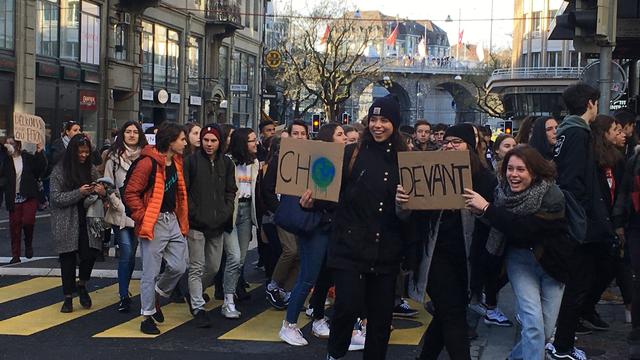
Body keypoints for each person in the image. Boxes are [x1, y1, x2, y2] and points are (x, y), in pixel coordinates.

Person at [464, 145, 573, 360]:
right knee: (533, 325)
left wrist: (487, 209)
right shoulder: (500, 192)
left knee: (545, 330)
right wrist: (482, 213)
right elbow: (500, 224)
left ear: (534, 171)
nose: (514, 175)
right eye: (510, 168)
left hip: (553, 264)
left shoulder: (552, 195)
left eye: (521, 169)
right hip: (519, 261)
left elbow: (524, 229)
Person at [326, 95, 411, 360]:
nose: (378, 125)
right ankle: (335, 353)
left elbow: (413, 213)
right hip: (350, 247)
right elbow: (329, 195)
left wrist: (405, 205)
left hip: (386, 251)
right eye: (373, 119)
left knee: (380, 318)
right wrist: (311, 201)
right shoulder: (351, 154)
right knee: (346, 307)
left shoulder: (407, 160)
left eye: (384, 120)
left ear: (394, 124)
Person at [401, 123, 497, 360]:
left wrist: (482, 209)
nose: (450, 146)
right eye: (447, 141)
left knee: (446, 314)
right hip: (435, 257)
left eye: (457, 142)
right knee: (453, 314)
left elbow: (494, 220)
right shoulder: (428, 171)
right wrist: (403, 201)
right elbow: (410, 215)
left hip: (467, 260)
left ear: (470, 146)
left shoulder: (484, 179)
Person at [549, 82, 617, 360]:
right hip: (580, 226)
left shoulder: (567, 132)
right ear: (590, 103)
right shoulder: (578, 133)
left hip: (578, 223)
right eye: (596, 102)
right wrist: (584, 218)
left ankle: (561, 341)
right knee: (577, 285)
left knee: (577, 284)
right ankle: (563, 345)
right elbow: (573, 181)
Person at [279, 123, 346, 346]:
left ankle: (317, 318)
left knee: (325, 277)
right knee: (307, 278)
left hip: (330, 227)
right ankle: (289, 325)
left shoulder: (341, 162)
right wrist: (311, 203)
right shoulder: (317, 163)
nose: (344, 138)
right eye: (340, 134)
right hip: (317, 228)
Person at [124, 122, 189, 335]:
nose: (185, 142)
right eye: (182, 139)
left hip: (171, 220)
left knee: (180, 265)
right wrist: (144, 217)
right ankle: (147, 316)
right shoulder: (147, 163)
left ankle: (157, 295)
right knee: (150, 272)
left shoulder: (176, 161)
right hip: (154, 222)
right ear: (171, 142)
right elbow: (131, 193)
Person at [577, 115, 628, 332]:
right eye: (616, 130)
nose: (622, 134)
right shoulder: (591, 159)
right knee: (590, 271)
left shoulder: (619, 160)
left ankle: (587, 308)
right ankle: (580, 311)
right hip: (594, 226)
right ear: (604, 134)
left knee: (608, 268)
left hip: (610, 225)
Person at [184, 123, 237, 327]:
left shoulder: (227, 163)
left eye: (213, 140)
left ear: (219, 142)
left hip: (218, 223)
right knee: (196, 266)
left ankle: (193, 291)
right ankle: (198, 306)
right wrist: (193, 212)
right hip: (196, 223)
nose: (208, 144)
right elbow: (185, 191)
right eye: (205, 140)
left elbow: (230, 190)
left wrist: (226, 211)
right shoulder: (191, 162)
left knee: (213, 267)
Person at [50, 134, 104, 313]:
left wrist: (100, 191)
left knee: (90, 253)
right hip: (66, 219)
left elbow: (102, 186)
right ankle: (67, 298)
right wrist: (79, 193)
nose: (84, 155)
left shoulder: (90, 169)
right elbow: (56, 198)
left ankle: (82, 284)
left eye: (87, 152)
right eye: (81, 152)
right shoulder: (60, 170)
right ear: (73, 152)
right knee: (67, 259)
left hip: (88, 218)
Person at [262, 120, 308, 309]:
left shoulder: (309, 158)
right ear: (288, 135)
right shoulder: (280, 158)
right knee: (291, 250)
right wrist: (278, 209)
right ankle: (273, 285)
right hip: (285, 213)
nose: (299, 137)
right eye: (295, 133)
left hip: (304, 213)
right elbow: (267, 188)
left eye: (302, 133)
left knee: (300, 253)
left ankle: (288, 291)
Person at [103, 120, 148, 313]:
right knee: (127, 252)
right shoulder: (113, 157)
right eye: (128, 131)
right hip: (119, 210)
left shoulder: (146, 156)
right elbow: (107, 184)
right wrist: (117, 203)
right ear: (122, 134)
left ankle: (125, 290)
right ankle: (123, 295)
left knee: (131, 255)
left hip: (138, 212)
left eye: (135, 132)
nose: (131, 135)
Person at [221, 128, 259, 319]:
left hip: (246, 212)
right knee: (234, 258)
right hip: (231, 212)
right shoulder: (227, 162)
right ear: (242, 143)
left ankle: (230, 292)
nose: (256, 143)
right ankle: (228, 300)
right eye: (252, 140)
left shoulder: (255, 163)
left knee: (241, 259)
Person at [3, 137, 47, 264]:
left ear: (17, 144)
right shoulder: (5, 160)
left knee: (28, 221)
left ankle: (28, 243)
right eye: (6, 143)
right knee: (14, 227)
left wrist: (39, 152)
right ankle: (15, 255)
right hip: (13, 197)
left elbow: (40, 169)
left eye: (11, 143)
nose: (8, 145)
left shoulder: (26, 157)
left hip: (28, 195)